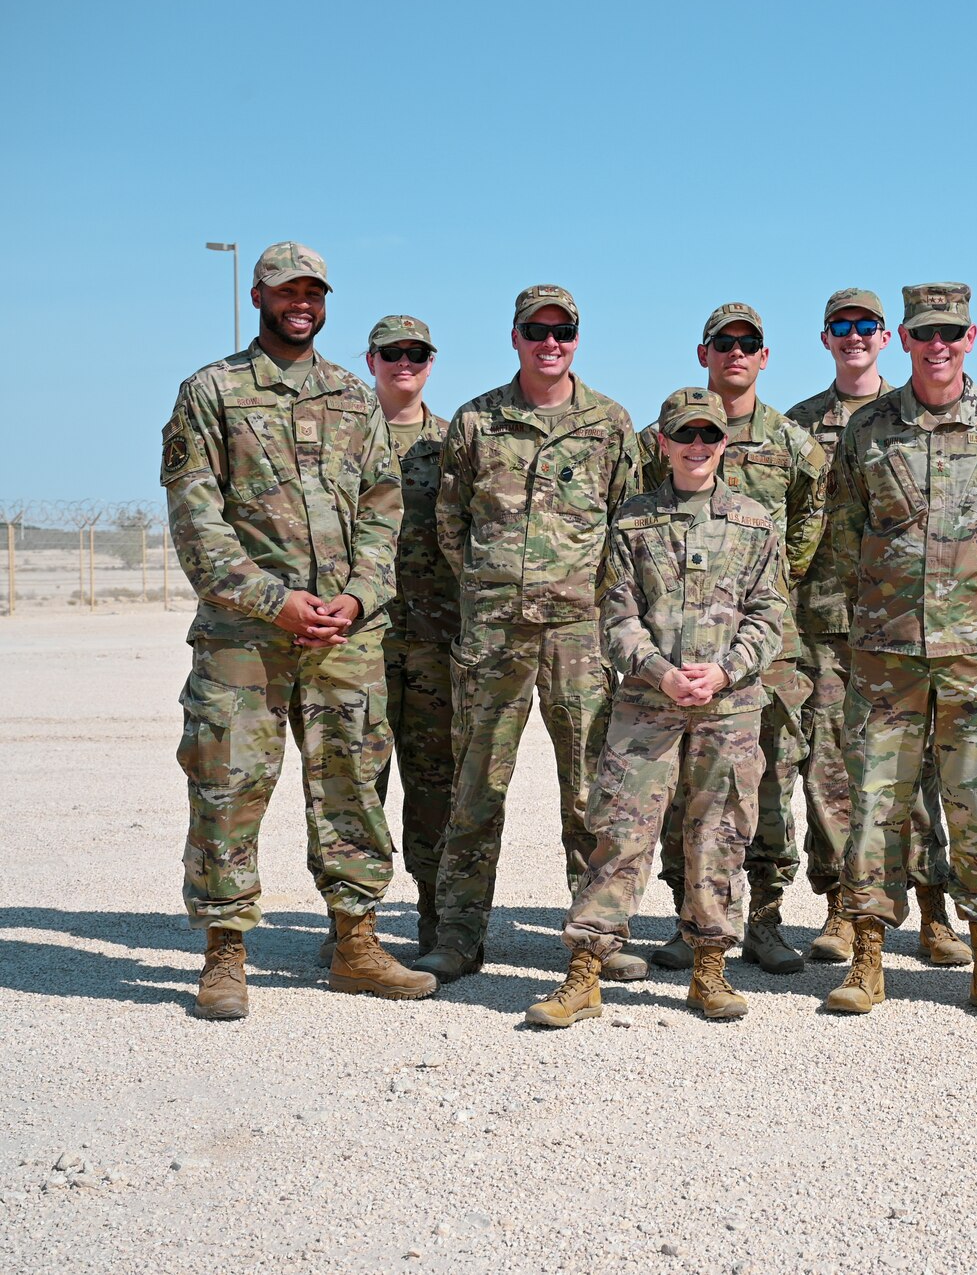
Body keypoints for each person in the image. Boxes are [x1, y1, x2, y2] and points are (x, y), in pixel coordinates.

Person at [160, 240, 434, 1017]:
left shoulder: (354, 398)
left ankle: (355, 940)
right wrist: (268, 598)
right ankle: (224, 953)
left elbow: (385, 513)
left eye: (313, 291)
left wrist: (357, 595)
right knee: (228, 785)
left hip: (343, 634)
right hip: (243, 637)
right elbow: (196, 519)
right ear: (259, 298)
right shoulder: (211, 391)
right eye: (286, 291)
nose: (301, 303)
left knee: (351, 782)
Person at [822, 282, 977, 1019]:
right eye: (925, 333)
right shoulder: (869, 430)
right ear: (908, 340)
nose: (939, 345)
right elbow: (845, 536)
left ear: (971, 335)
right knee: (872, 806)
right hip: (886, 657)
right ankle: (867, 960)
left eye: (951, 331)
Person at [528, 389, 787, 1027]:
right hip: (647, 706)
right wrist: (661, 672)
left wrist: (725, 670)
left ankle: (710, 971)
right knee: (620, 834)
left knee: (718, 836)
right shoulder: (633, 522)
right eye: (685, 435)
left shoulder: (754, 523)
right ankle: (585, 971)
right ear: (665, 442)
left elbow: (771, 614)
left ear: (724, 443)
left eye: (709, 435)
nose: (698, 447)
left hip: (728, 709)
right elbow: (616, 616)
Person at [418, 286, 642, 981]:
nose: (551, 342)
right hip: (494, 635)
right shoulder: (478, 421)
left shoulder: (608, 423)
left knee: (589, 792)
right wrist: (494, 588)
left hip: (578, 633)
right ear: (515, 336)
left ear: (577, 337)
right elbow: (452, 525)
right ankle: (458, 935)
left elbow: (625, 524)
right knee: (476, 787)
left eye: (563, 331)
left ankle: (596, 935)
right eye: (536, 330)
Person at [635, 302, 828, 977]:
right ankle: (690, 920)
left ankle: (765, 919)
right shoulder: (657, 436)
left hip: (763, 646)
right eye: (724, 343)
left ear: (766, 356)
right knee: (684, 785)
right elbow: (636, 518)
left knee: (767, 782)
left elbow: (812, 513)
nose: (736, 353)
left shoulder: (791, 440)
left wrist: (778, 572)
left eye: (749, 344)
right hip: (679, 647)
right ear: (704, 353)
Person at [785, 289, 965, 968]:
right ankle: (840, 906)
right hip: (828, 626)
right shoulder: (798, 426)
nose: (854, 337)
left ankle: (932, 910)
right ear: (826, 338)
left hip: (905, 628)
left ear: (887, 337)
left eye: (865, 326)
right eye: (842, 327)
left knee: (914, 777)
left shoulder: (908, 416)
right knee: (832, 775)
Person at [364, 315, 457, 955]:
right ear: (371, 360)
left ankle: (432, 912)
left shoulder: (454, 444)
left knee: (434, 782)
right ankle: (356, 920)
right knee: (355, 780)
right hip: (360, 639)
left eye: (416, 353)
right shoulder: (343, 438)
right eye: (392, 353)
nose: (405, 362)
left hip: (433, 639)